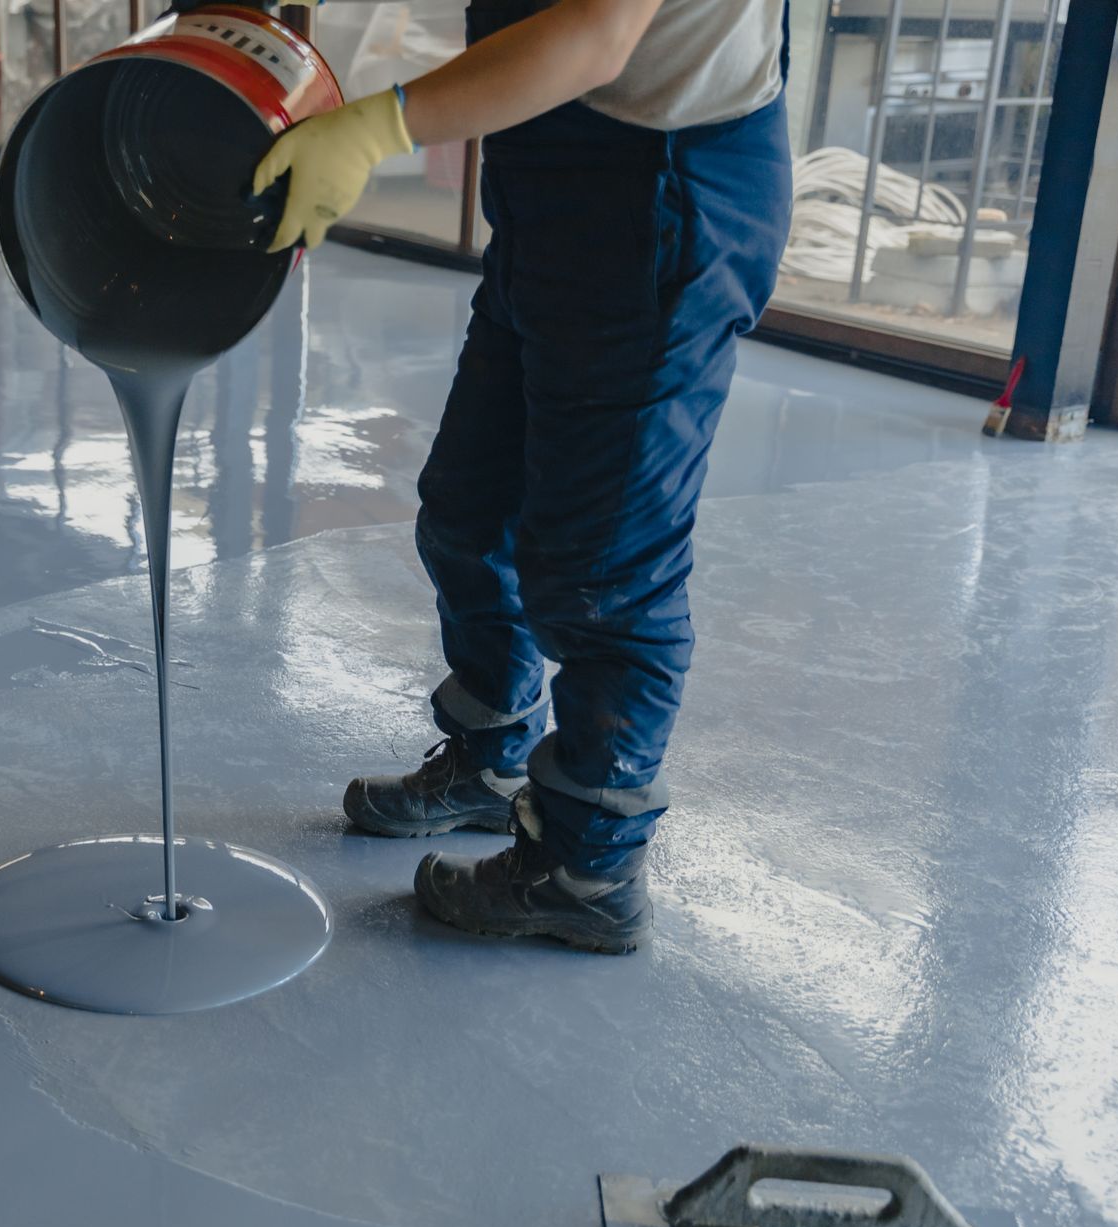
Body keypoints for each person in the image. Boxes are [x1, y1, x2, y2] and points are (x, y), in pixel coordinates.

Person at [252, 0, 792, 953]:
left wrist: (378, 126)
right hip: (551, 180)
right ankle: (492, 756)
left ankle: (588, 870)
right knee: (468, 512)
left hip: (660, 190)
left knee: (605, 574)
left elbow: (595, 34)